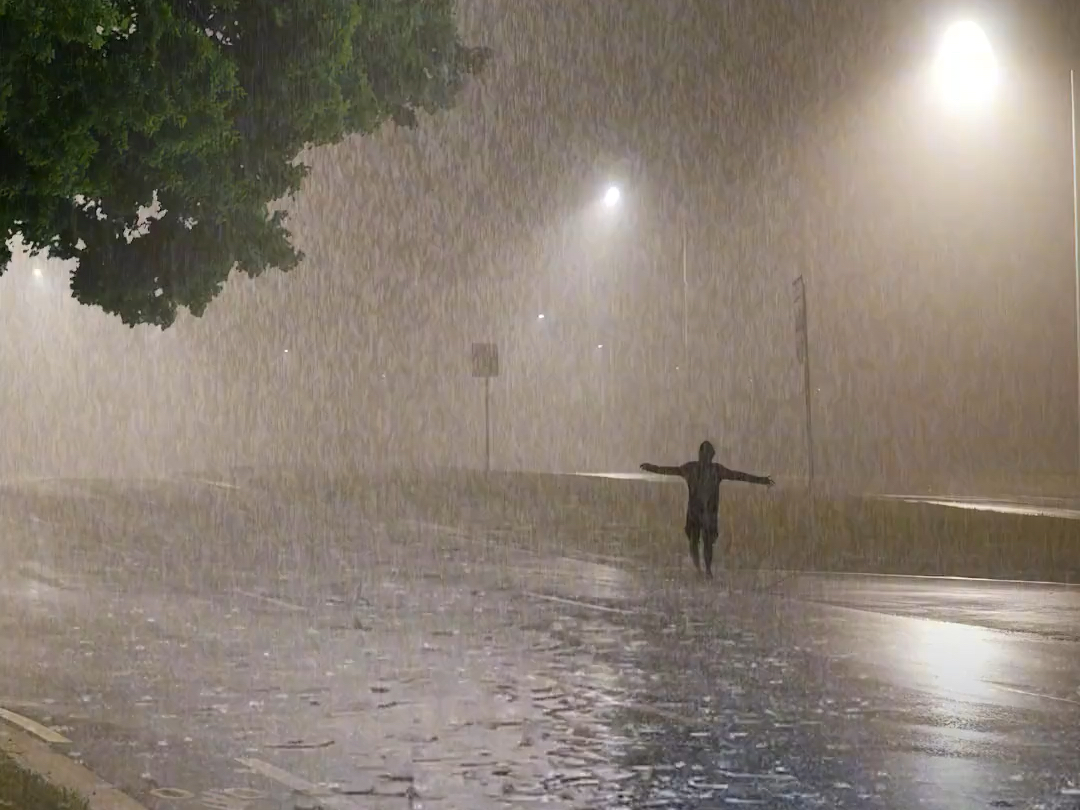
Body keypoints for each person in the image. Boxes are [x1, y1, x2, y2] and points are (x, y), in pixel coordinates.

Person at [640, 440, 774, 577]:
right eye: (706, 454)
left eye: (708, 455)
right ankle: (699, 568)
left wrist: (760, 480)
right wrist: (652, 468)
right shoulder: (696, 469)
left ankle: (705, 569)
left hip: (705, 512)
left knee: (703, 541)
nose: (707, 457)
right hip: (698, 512)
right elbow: (670, 470)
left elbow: (739, 476)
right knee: (697, 540)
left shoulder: (710, 470)